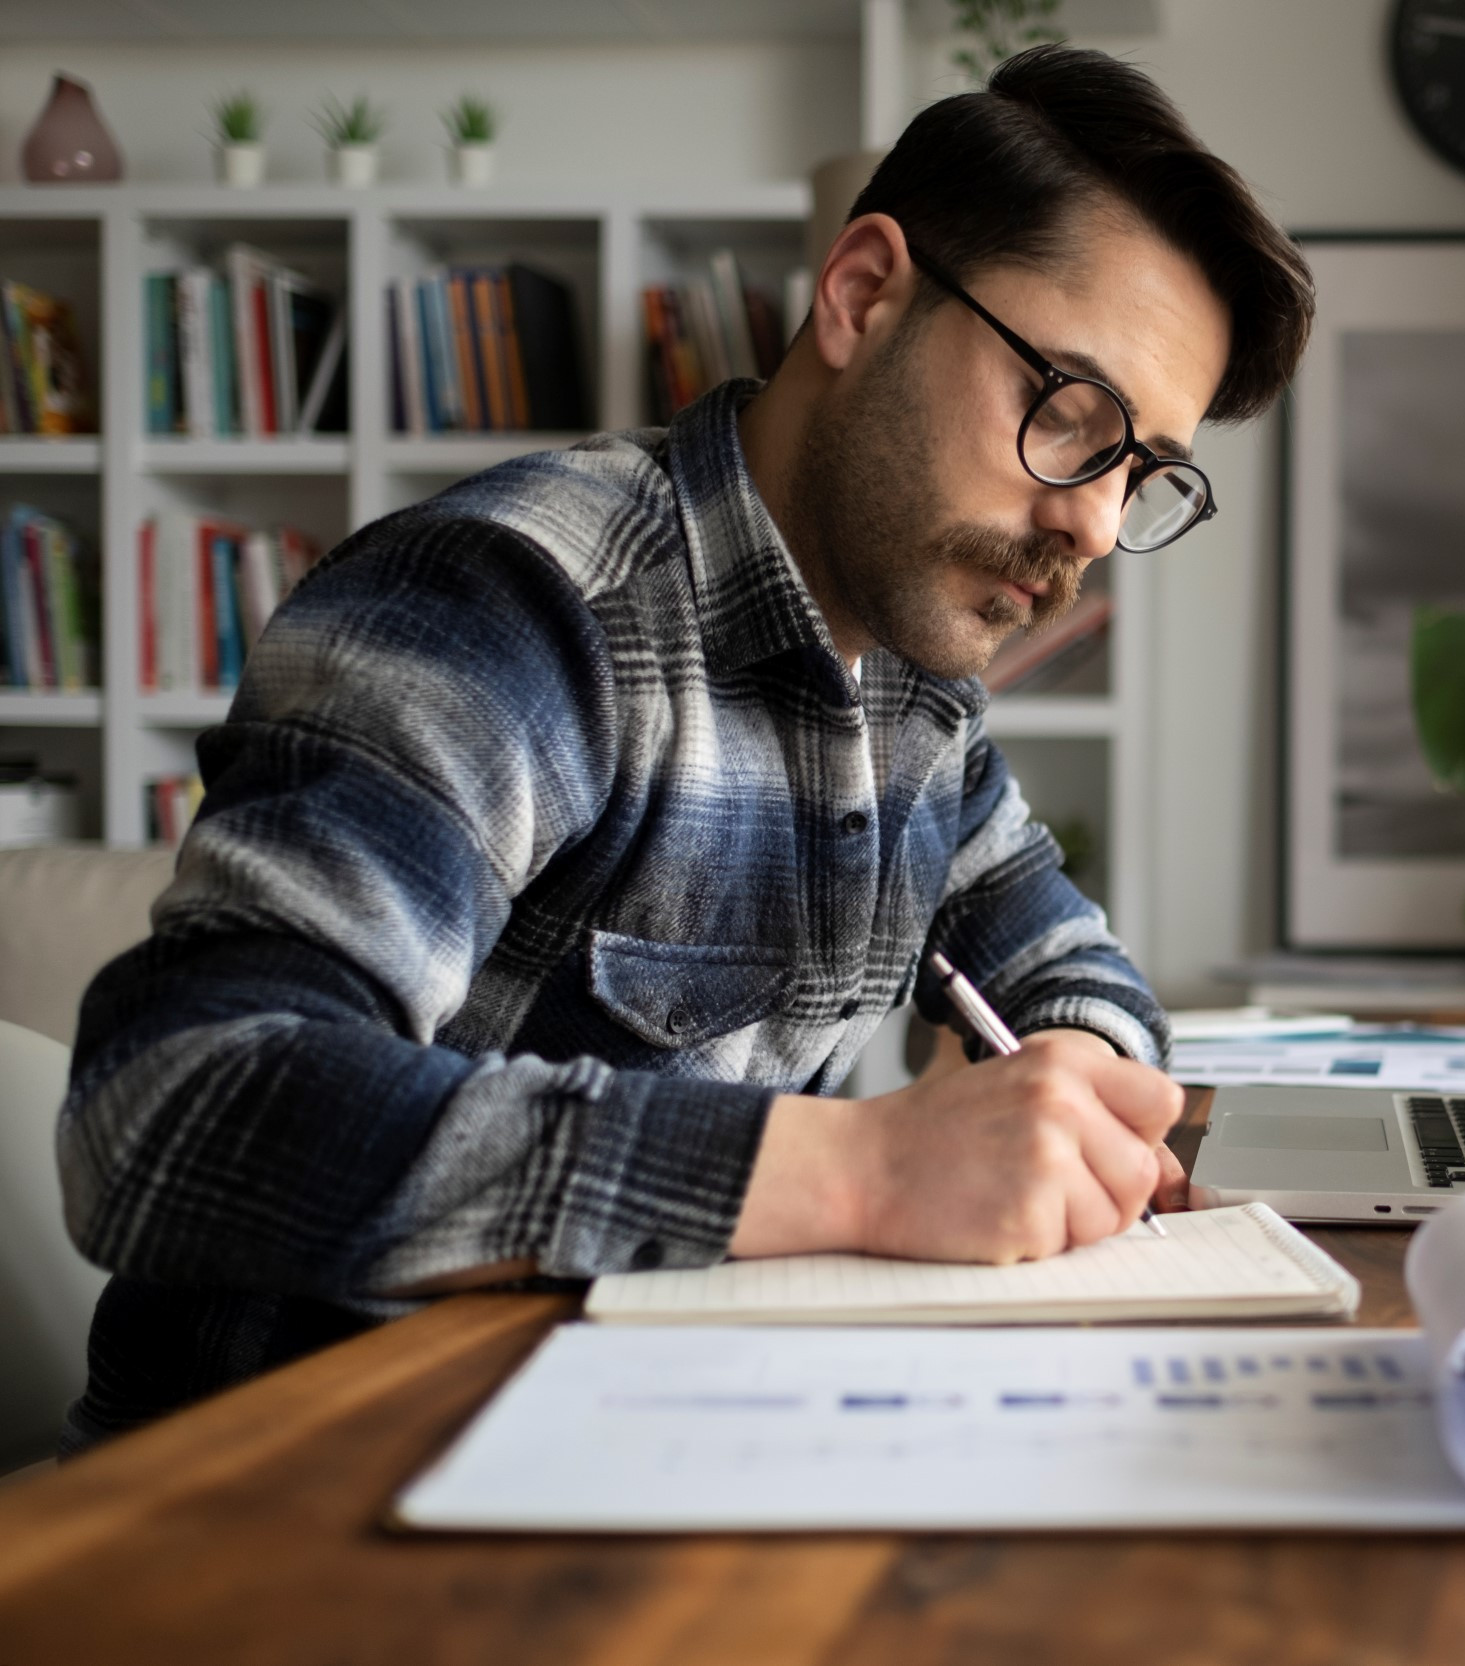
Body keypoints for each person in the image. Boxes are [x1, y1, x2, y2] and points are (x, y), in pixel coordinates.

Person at [54, 46, 1314, 1453]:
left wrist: (1073, 1091)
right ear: (862, 294)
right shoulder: (514, 607)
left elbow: (1069, 965)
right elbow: (171, 1115)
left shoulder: (914, 690)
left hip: (677, 1444)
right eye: (1069, 414)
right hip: (291, 1501)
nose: (1092, 524)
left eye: (1141, 468)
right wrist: (852, 1170)